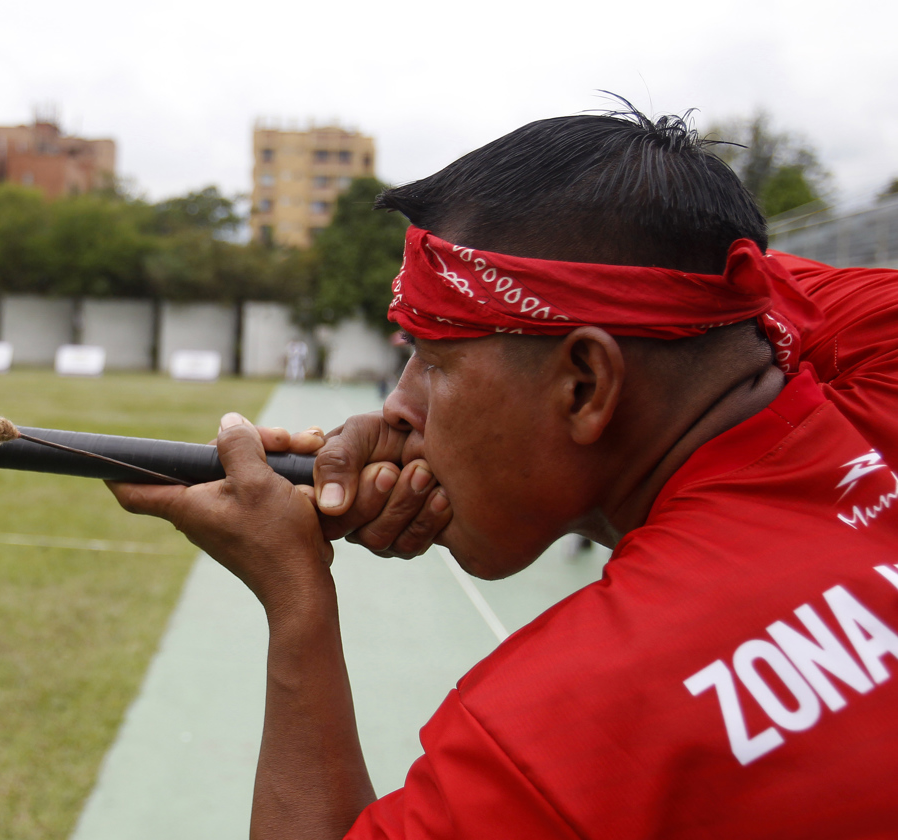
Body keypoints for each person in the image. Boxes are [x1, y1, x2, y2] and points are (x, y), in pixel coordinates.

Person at [108, 104, 898, 838]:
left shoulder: (576, 728)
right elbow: (734, 288)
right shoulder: (879, 389)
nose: (397, 408)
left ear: (585, 384)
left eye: (433, 360)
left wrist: (295, 593)